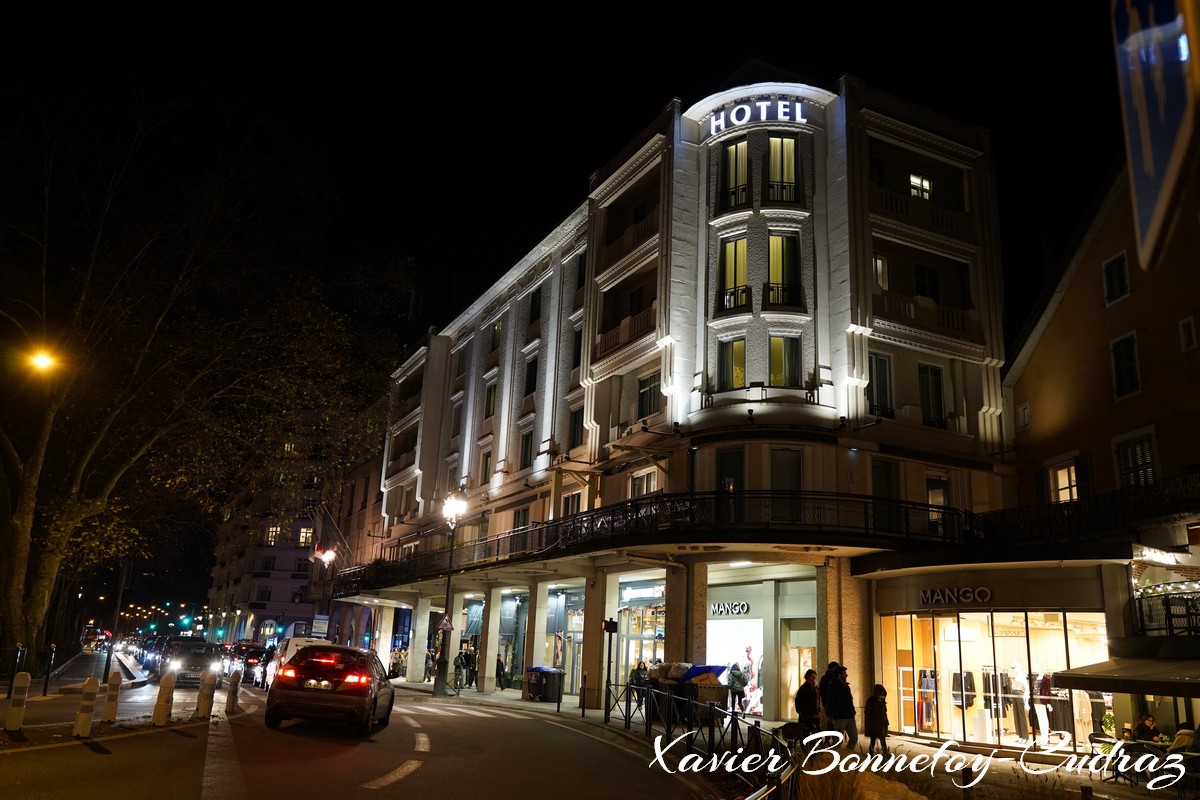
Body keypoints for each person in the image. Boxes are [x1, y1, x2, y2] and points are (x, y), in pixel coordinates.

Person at [827, 665, 858, 750]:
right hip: (840, 717)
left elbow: (849, 700)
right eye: (844, 673)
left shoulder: (846, 686)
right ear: (839, 675)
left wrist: (852, 711)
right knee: (838, 741)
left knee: (854, 738)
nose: (846, 675)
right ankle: (833, 757)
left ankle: (846, 754)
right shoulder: (833, 686)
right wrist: (829, 714)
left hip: (849, 715)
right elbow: (830, 701)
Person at [794, 668, 821, 738]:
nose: (814, 678)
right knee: (805, 732)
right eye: (813, 676)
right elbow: (798, 701)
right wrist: (801, 712)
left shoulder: (816, 688)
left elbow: (818, 700)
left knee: (817, 731)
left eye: (815, 677)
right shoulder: (803, 688)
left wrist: (819, 709)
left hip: (815, 713)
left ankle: (815, 744)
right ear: (808, 677)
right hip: (807, 714)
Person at [863, 683, 889, 755]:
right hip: (874, 724)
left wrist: (886, 723)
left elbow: (884, 713)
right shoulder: (871, 701)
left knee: (882, 740)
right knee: (873, 740)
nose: (882, 696)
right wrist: (872, 723)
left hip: (881, 724)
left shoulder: (882, 702)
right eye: (881, 694)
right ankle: (871, 754)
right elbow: (868, 713)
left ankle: (885, 753)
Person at [818, 661, 840, 729]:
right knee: (830, 720)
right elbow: (822, 691)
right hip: (828, 702)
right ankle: (831, 737)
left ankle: (831, 737)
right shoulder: (826, 679)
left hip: (833, 702)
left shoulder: (836, 677)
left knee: (832, 721)